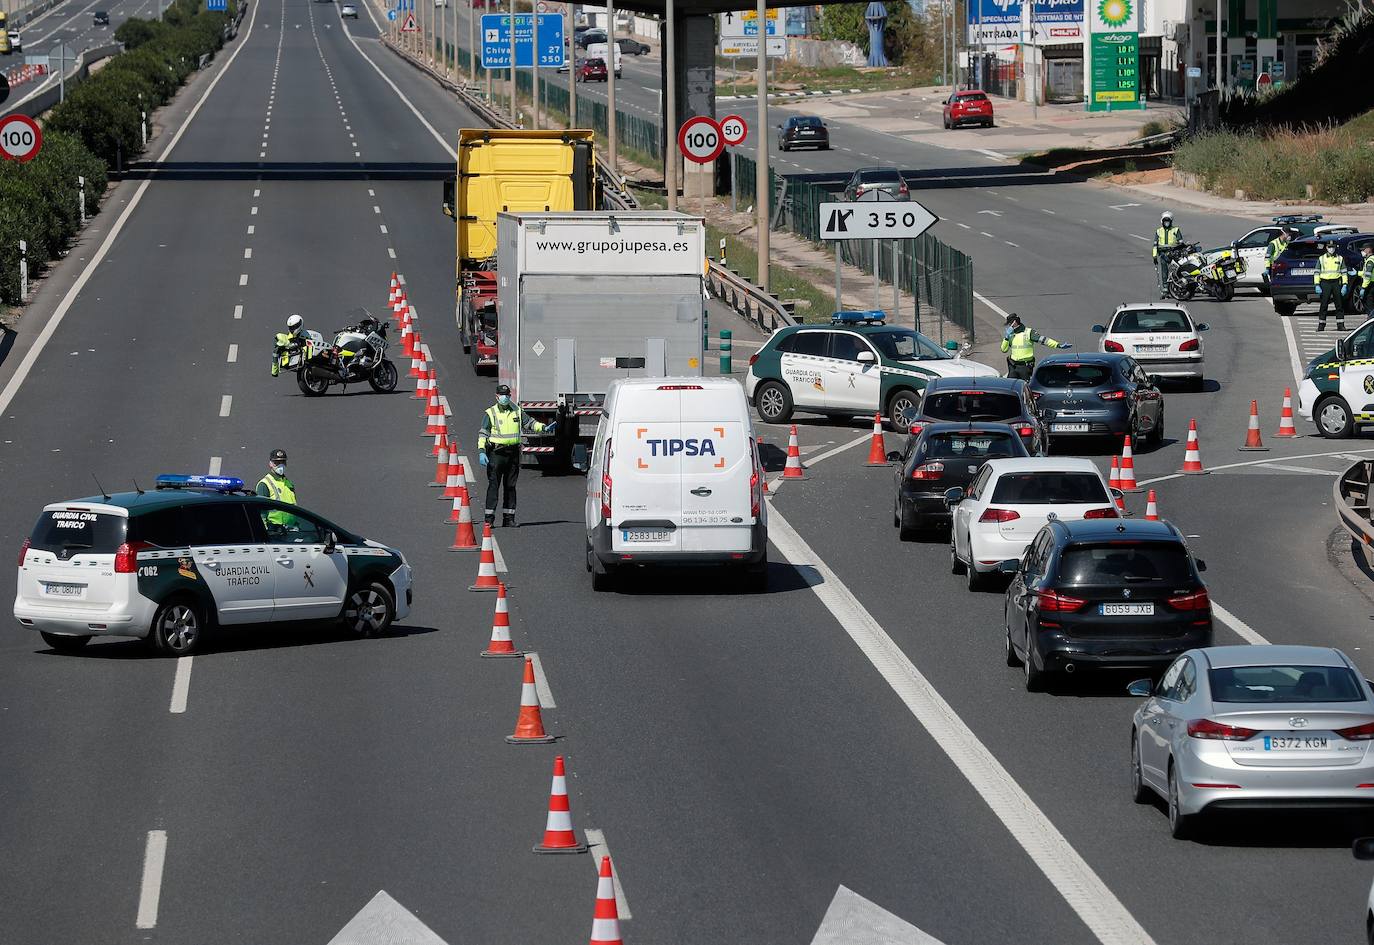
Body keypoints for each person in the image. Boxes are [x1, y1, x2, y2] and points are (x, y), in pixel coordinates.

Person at [477, 384, 555, 528]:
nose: (504, 397)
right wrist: (482, 451)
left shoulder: (517, 411)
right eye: (502, 395)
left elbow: (530, 423)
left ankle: (509, 518)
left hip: (512, 453)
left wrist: (543, 427)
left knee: (510, 486)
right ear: (496, 396)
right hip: (496, 454)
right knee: (494, 485)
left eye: (507, 395)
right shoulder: (490, 413)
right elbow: (483, 434)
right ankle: (489, 519)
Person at [1000, 313, 1070, 381]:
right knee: (1010, 386)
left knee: (1025, 387)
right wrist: (1006, 337)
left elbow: (1043, 340)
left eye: (1009, 323)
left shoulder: (1028, 332)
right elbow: (1003, 349)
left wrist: (1057, 345)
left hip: (1025, 366)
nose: (1008, 325)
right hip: (1013, 366)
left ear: (1014, 322)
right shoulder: (1011, 334)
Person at [255, 449, 298, 529]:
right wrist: (264, 532)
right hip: (274, 531)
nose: (280, 465)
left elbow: (295, 509)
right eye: (277, 463)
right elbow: (261, 513)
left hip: (291, 529)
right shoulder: (264, 484)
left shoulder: (289, 484)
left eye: (283, 462)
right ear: (270, 464)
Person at [1314, 241, 1347, 332]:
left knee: (1339, 304)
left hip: (1336, 283)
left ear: (1335, 247)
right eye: (1329, 247)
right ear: (1326, 248)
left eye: (1332, 247)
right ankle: (1321, 325)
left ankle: (1340, 325)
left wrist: (1345, 284)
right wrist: (1317, 285)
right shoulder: (1321, 259)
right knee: (1324, 305)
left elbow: (1344, 273)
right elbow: (1316, 273)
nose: (1331, 248)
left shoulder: (1340, 258)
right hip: (1325, 283)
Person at [1152, 212, 1183, 298]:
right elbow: (1155, 245)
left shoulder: (1175, 230)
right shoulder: (1158, 231)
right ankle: (1165, 289)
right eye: (1165, 221)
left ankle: (1175, 287)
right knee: (1164, 272)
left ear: (1171, 221)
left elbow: (1181, 242)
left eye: (1168, 221)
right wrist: (1154, 256)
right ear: (1162, 221)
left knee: (1175, 272)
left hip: (1174, 255)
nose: (1166, 223)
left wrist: (1178, 250)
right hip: (1163, 255)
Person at [1359, 244, 1374, 316]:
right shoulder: (1370, 259)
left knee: (1369, 304)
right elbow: (1365, 272)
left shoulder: (1370, 261)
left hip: (1370, 285)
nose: (1362, 251)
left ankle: (1371, 319)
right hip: (1371, 284)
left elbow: (1367, 275)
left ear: (1368, 250)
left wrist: (1363, 287)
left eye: (1363, 250)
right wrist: (1357, 273)